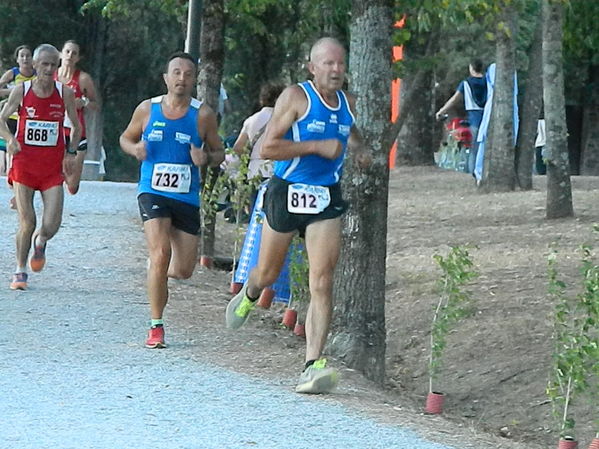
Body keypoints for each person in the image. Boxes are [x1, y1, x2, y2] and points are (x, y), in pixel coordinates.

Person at [225, 37, 371, 394]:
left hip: (324, 200)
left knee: (322, 280)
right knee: (268, 274)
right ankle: (249, 294)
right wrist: (316, 147)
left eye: (340, 64)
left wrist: (362, 150)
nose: (336, 70)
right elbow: (269, 147)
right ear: (312, 67)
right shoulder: (295, 97)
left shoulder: (348, 104)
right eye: (328, 64)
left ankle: (312, 365)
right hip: (287, 192)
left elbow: (350, 132)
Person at [119, 51, 224, 349]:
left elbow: (220, 153)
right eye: (176, 72)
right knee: (161, 252)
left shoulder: (202, 115)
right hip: (152, 190)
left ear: (195, 80)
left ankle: (155, 271)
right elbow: (125, 137)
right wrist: (134, 148)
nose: (182, 78)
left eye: (188, 74)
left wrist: (206, 157)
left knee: (183, 270)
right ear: (166, 78)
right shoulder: (147, 109)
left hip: (186, 197)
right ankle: (156, 326)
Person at [0, 44, 80, 290]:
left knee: (52, 223)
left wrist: (71, 152)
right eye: (44, 64)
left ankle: (41, 241)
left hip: (51, 168)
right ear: (34, 65)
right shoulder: (21, 91)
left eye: (53, 65)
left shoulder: (64, 92)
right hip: (24, 165)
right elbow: (1, 119)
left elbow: (75, 127)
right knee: (28, 221)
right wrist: (10, 139)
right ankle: (20, 270)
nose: (48, 69)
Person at [55, 40, 100, 194]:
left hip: (77, 133)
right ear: (60, 54)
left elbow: (95, 104)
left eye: (74, 53)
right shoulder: (51, 76)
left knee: (72, 185)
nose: (70, 55)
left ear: (78, 58)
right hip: (55, 132)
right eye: (67, 51)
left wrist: (84, 102)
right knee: (53, 179)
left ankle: (67, 180)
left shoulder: (83, 79)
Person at [0, 45, 37, 209]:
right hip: (11, 119)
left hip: (29, 120)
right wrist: (14, 92)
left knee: (25, 159)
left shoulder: (38, 75)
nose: (25, 59)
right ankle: (15, 188)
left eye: (28, 56)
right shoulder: (13, 74)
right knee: (11, 158)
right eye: (22, 56)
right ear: (17, 59)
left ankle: (18, 194)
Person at [435, 59, 487, 174]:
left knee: (474, 149)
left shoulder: (466, 83)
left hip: (474, 118)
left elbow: (454, 100)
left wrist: (441, 111)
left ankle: (474, 173)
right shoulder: (488, 81)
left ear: (471, 68)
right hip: (487, 118)